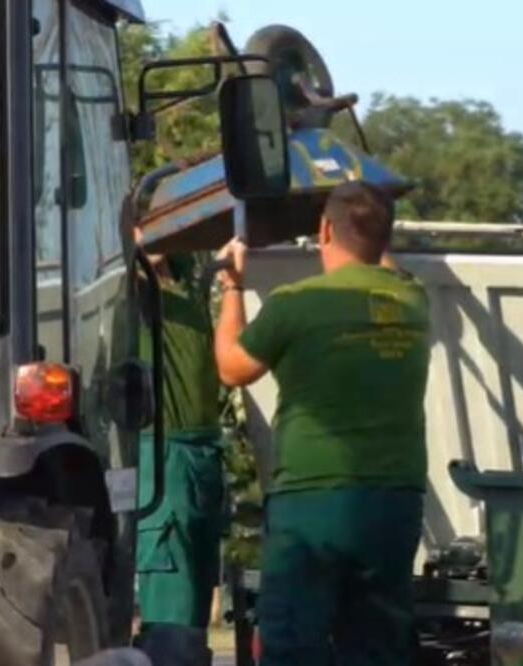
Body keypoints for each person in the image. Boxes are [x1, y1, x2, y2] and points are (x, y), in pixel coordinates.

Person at [213, 181, 431, 666]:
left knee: (292, 644)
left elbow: (231, 367)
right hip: (394, 502)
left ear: (325, 230)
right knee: (378, 648)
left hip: (311, 502)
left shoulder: (295, 303)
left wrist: (232, 286)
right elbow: (384, 265)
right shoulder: (413, 300)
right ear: (385, 236)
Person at [133, 230, 226, 666]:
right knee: (171, 616)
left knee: (193, 615)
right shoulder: (129, 288)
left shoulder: (189, 276)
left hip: (202, 456)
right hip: (163, 455)